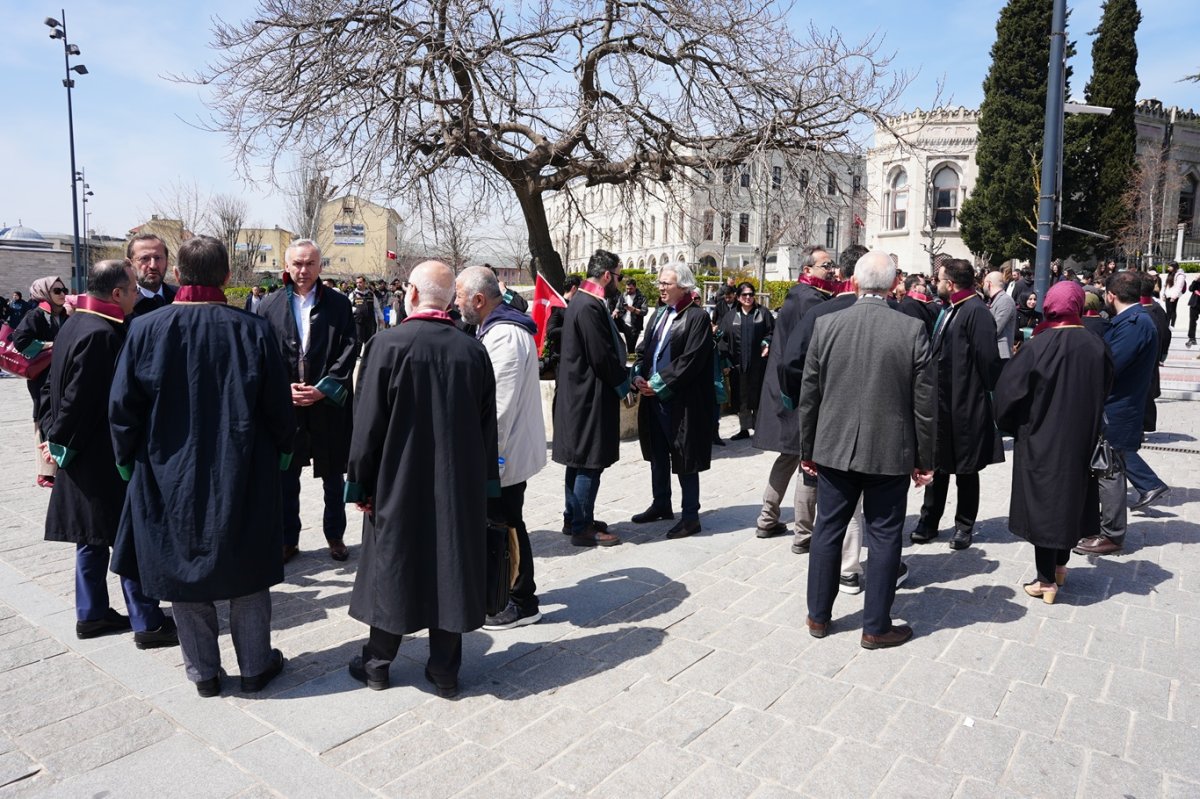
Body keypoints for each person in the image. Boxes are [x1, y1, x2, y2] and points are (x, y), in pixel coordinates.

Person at [109, 236, 296, 698]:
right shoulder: (253, 329)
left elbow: (122, 409)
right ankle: (254, 666)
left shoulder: (145, 328)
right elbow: (279, 408)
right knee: (247, 563)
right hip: (243, 465)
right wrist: (286, 452)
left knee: (183, 569)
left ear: (177, 275)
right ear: (228, 278)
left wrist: (126, 462)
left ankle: (204, 674)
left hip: (168, 470)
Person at [345, 260, 499, 696]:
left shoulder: (385, 345)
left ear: (411, 294)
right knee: (450, 566)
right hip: (457, 483)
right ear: (450, 299)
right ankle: (445, 670)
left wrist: (359, 482)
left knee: (393, 565)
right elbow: (489, 426)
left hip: (397, 479)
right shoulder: (473, 351)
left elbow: (366, 424)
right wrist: (486, 484)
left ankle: (377, 664)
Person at [798, 251, 935, 649]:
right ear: (895, 286)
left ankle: (818, 616)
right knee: (885, 534)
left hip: (834, 447)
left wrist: (808, 449)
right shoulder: (911, 330)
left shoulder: (827, 324)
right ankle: (875, 626)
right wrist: (925, 460)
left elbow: (810, 395)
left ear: (854, 283)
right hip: (889, 450)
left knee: (828, 529)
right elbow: (924, 404)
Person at [40, 259, 178, 649]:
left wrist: (54, 435)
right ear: (116, 294)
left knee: (92, 537)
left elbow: (53, 391)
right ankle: (147, 621)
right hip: (101, 455)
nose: (138, 294)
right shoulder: (103, 334)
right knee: (126, 536)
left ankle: (92, 613)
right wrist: (61, 440)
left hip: (81, 455)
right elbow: (79, 399)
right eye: (133, 288)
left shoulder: (75, 323)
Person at [995, 281, 1113, 604]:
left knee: (1043, 506)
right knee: (1070, 500)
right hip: (1080, 438)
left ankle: (1046, 580)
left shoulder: (1038, 345)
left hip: (1041, 439)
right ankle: (1061, 567)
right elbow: (1106, 389)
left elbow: (1007, 393)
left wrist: (1011, 424)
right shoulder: (1095, 345)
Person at [454, 266, 546, 630]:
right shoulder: (494, 329)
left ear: (479, 299)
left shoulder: (505, 336)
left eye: (460, 296)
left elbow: (499, 409)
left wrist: (488, 462)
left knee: (506, 527)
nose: (456, 302)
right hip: (502, 455)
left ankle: (519, 601)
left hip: (502, 456)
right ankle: (510, 594)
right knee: (505, 523)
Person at [258, 239, 359, 563]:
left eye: (309, 264)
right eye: (297, 264)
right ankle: (288, 539)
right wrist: (282, 389)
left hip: (325, 406)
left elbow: (348, 349)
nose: (303, 270)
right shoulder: (268, 306)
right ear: (286, 266)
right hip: (287, 406)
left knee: (332, 477)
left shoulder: (339, 305)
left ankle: (335, 535)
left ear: (320, 266)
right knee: (287, 477)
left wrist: (324, 388)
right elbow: (262, 356)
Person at [910, 258, 1003, 551]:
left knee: (965, 468)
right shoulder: (950, 310)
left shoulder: (976, 312)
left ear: (950, 284)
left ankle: (964, 525)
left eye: (938, 280)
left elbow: (988, 361)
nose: (934, 284)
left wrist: (980, 396)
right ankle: (929, 520)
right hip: (941, 403)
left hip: (965, 405)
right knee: (937, 464)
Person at [1074, 271, 1162, 557]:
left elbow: (1109, 364)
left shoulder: (1136, 324)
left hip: (1118, 409)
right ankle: (1103, 526)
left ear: (1110, 295)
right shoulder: (1130, 320)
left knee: (1109, 471)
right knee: (1108, 468)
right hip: (1115, 406)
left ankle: (1111, 535)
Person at [751, 246, 834, 546]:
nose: (832, 270)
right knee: (807, 459)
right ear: (809, 268)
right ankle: (804, 532)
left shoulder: (798, 293)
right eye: (826, 265)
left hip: (785, 387)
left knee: (789, 455)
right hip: (799, 391)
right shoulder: (811, 299)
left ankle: (767, 517)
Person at [630, 265, 715, 539]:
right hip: (654, 400)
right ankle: (661, 503)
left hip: (682, 402)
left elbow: (690, 361)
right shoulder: (658, 315)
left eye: (667, 283)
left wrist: (657, 384)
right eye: (660, 283)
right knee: (657, 454)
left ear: (684, 286)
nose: (661, 287)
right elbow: (645, 351)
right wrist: (639, 377)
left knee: (684, 457)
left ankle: (690, 516)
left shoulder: (697, 317)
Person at [551, 250, 629, 547]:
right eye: (618, 277)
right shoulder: (588, 305)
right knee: (589, 463)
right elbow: (601, 356)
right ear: (607, 275)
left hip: (581, 395)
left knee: (578, 459)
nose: (620, 283)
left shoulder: (584, 301)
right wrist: (623, 385)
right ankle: (581, 526)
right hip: (589, 396)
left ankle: (575, 516)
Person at [12, 276, 69, 487]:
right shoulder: (36, 315)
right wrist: (50, 345)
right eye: (57, 291)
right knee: (43, 416)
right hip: (41, 375)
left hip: (61, 374)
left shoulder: (64, 314)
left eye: (64, 289)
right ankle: (45, 471)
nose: (62, 294)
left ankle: (57, 465)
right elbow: (20, 341)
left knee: (59, 415)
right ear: (44, 293)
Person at [718, 282, 774, 440]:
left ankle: (760, 429)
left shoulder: (763, 314)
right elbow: (722, 340)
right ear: (738, 296)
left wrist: (767, 343)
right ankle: (744, 429)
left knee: (758, 396)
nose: (748, 297)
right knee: (741, 397)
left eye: (751, 294)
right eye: (744, 295)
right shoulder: (730, 317)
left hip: (759, 365)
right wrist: (726, 363)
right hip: (738, 366)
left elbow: (772, 332)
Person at [1137, 271, 1171, 437]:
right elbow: (1166, 333)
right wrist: (1162, 355)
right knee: (1147, 394)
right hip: (1151, 360)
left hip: (1140, 361)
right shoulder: (1157, 309)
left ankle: (1140, 427)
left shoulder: (1136, 311)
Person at [127, 234, 177, 318]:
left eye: (158, 258)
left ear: (167, 262)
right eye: (145, 258)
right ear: (129, 264)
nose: (153, 266)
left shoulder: (180, 298)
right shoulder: (125, 305)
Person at [541, 275, 581, 378]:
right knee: (561, 391)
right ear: (574, 288)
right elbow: (551, 332)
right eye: (580, 290)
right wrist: (571, 329)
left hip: (574, 356)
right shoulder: (558, 306)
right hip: (560, 357)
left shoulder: (577, 306)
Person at [983, 270, 1017, 361]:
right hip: (993, 353)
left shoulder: (1005, 300)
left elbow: (995, 329)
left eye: (984, 283)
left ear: (989, 283)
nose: (983, 286)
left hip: (1000, 355)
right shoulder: (994, 300)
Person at [350, 275, 383, 346]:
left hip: (370, 321)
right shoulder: (353, 294)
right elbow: (347, 307)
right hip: (358, 321)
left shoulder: (371, 294)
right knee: (358, 340)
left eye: (360, 282)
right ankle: (357, 356)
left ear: (364, 283)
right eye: (357, 282)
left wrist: (381, 318)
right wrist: (355, 310)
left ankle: (368, 356)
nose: (358, 284)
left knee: (370, 340)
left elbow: (377, 307)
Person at [618, 277, 648, 355]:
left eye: (630, 289)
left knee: (631, 346)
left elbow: (644, 312)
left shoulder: (642, 297)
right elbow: (618, 306)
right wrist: (615, 311)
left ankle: (631, 362)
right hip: (624, 324)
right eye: (627, 288)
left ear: (635, 287)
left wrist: (633, 310)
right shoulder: (624, 295)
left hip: (635, 326)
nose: (628, 290)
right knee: (625, 345)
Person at [1164, 262, 1186, 327]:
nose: (1168, 268)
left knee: (1172, 310)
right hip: (1168, 294)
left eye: (1169, 266)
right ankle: (1167, 325)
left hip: (1174, 295)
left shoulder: (1180, 275)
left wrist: (1174, 297)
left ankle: (1172, 325)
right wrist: (1164, 294)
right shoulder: (1170, 274)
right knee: (1168, 311)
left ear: (1174, 267)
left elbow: (1179, 287)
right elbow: (1166, 285)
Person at [1189, 272, 1200, 347]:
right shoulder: (1197, 282)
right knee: (1192, 321)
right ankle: (1192, 338)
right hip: (1195, 304)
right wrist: (1195, 280)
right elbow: (1190, 289)